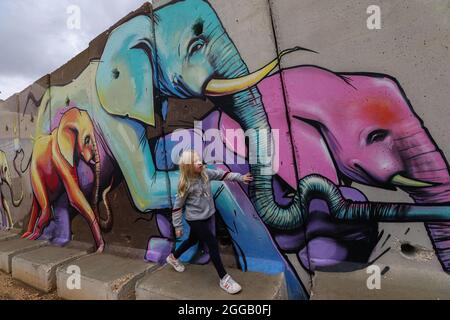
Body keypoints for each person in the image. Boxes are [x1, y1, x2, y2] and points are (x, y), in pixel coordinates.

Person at [166, 150, 253, 294]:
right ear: (188, 166)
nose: (200, 163)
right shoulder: (185, 184)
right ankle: (224, 278)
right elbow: (177, 207)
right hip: (194, 219)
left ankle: (173, 257)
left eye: (199, 159)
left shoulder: (205, 173)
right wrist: (178, 226)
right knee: (212, 242)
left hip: (206, 216)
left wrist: (241, 177)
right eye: (195, 162)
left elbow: (222, 174)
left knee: (192, 240)